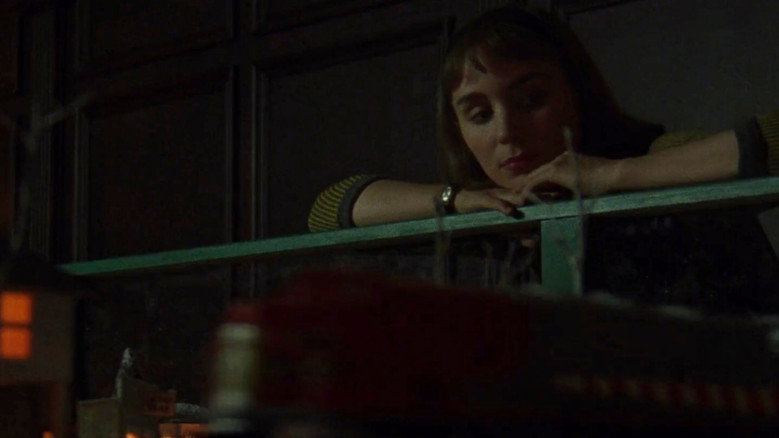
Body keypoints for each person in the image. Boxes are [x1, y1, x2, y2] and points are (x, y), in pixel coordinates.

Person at [307, 4, 778, 234]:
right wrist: (458, 200)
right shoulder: (483, 212)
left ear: (577, 94)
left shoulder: (655, 157)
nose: (506, 133)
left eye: (531, 100)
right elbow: (327, 211)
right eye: (479, 114)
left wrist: (612, 175)